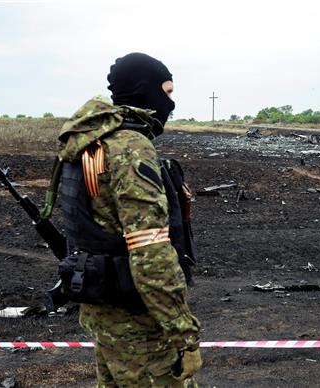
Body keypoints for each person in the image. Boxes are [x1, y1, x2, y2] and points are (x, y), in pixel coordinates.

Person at [56, 53, 201, 387]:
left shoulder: (90, 142)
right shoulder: (130, 147)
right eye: (167, 91)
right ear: (144, 90)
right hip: (138, 324)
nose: (172, 103)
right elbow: (149, 251)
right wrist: (183, 332)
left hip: (101, 311)